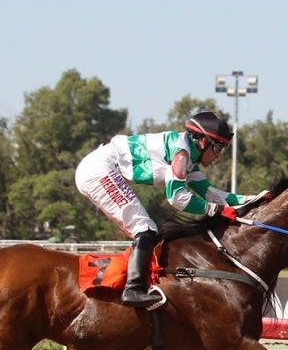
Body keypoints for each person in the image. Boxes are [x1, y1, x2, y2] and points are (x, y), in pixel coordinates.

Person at [75, 111, 269, 308]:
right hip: (99, 170)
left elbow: (214, 195)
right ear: (203, 141)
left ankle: (139, 283)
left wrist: (256, 199)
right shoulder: (181, 154)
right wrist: (216, 210)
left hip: (98, 169)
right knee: (145, 228)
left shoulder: (188, 157)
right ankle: (133, 290)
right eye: (218, 148)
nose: (218, 156)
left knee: (147, 230)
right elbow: (176, 198)